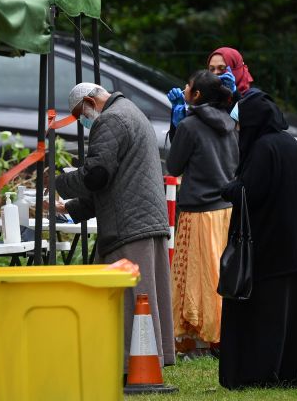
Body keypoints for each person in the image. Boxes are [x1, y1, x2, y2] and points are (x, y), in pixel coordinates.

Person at [55, 82, 175, 375]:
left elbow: (97, 174)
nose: (83, 122)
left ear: (89, 101)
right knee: (149, 293)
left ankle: (133, 366)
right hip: (145, 218)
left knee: (132, 297)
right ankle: (151, 358)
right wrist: (67, 208)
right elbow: (112, 184)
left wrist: (59, 183)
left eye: (79, 114)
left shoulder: (110, 119)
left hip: (129, 224)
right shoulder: (132, 112)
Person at [218, 93, 297, 390]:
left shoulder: (263, 148)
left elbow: (251, 191)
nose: (238, 131)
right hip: (294, 246)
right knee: (291, 316)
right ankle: (293, 372)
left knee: (263, 315)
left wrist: (229, 189)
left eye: (240, 125)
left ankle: (258, 373)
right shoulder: (290, 144)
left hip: (267, 248)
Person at [166, 71, 237, 358]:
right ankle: (221, 332)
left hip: (199, 210)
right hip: (226, 210)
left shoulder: (190, 126)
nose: (184, 88)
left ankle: (208, 335)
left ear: (195, 95)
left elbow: (173, 166)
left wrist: (176, 126)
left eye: (188, 86)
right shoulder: (231, 123)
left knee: (197, 276)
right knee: (220, 272)